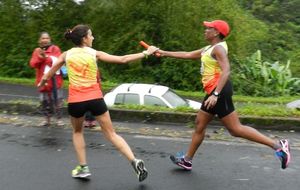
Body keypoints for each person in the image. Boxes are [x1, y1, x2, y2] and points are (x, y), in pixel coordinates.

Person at [156, 20, 291, 170]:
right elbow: (188, 54)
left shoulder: (218, 49)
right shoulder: (209, 48)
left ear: (216, 33)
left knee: (235, 129)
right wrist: (163, 52)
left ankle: (279, 146)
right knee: (199, 124)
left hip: (218, 91)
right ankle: (187, 160)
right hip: (213, 91)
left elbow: (226, 70)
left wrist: (215, 94)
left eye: (209, 28)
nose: (205, 30)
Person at [38, 24, 158, 181]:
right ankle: (134, 161)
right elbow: (123, 59)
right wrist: (146, 52)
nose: (93, 37)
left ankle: (83, 167)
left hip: (76, 101)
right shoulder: (94, 53)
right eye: (91, 35)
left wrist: (43, 81)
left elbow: (52, 70)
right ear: (84, 38)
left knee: (77, 132)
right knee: (111, 134)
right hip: (95, 99)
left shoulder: (66, 54)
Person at [29, 32, 65, 127]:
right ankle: (46, 119)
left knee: (57, 99)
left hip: (55, 80)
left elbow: (58, 62)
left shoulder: (55, 49)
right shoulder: (37, 51)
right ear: (39, 40)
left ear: (50, 39)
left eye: (47, 38)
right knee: (44, 101)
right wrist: (40, 58)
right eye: (43, 38)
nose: (45, 40)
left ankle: (59, 119)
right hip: (43, 81)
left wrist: (46, 57)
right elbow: (33, 64)